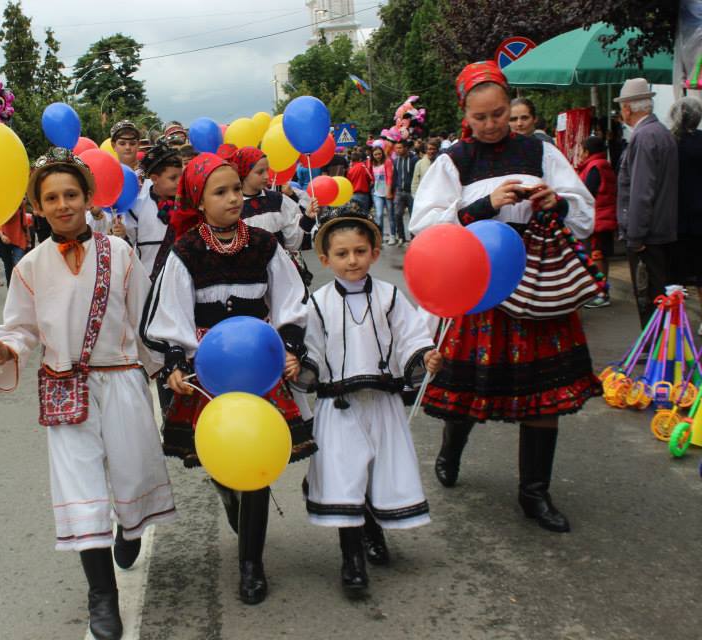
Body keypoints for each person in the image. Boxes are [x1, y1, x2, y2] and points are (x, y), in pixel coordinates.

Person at [0, 147, 176, 640]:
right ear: (38, 207)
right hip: (65, 388)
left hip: (123, 379)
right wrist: (6, 348)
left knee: (133, 473)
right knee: (80, 492)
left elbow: (145, 318)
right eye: (51, 198)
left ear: (88, 198)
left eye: (70, 194)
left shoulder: (121, 254)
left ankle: (130, 526)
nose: (62, 204)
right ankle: (102, 598)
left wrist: (166, 370)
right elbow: (20, 327)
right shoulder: (29, 266)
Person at [410, 61, 599, 534]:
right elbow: (424, 227)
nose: (492, 124)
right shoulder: (454, 161)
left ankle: (534, 492)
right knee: (467, 389)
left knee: (545, 394)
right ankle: (451, 449)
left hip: (537, 285)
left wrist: (557, 203)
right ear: (465, 115)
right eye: (481, 117)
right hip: (478, 287)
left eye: (499, 113)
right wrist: (483, 206)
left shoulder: (540, 152)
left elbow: (584, 214)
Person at [141, 153, 315, 605]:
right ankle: (227, 491)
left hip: (258, 365)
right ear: (199, 201)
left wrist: (290, 346)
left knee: (256, 460)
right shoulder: (186, 251)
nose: (234, 198)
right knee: (220, 454)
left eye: (236, 188)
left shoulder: (263, 244)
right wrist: (176, 361)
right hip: (209, 369)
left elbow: (292, 300)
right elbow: (169, 314)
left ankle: (251, 564)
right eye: (220, 192)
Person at [299, 204, 441, 595]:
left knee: (378, 471)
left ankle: (374, 532)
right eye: (342, 253)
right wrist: (301, 367)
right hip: (339, 406)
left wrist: (423, 356)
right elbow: (312, 348)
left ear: (374, 253)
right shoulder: (319, 303)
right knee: (344, 478)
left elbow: (410, 335)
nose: (352, 260)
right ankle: (352, 561)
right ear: (325, 259)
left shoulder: (390, 296)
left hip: (382, 403)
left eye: (360, 251)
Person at [615, 77, 679, 328]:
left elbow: (641, 192)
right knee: (659, 296)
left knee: (648, 297)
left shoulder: (643, 137)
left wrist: (635, 236)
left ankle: (655, 346)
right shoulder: (661, 132)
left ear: (628, 108)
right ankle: (661, 344)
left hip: (648, 234)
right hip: (662, 228)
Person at [125, 140, 184, 279]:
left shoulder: (187, 206)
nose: (179, 182)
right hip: (148, 280)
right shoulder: (136, 208)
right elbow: (127, 247)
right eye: (173, 178)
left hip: (180, 279)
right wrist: (122, 235)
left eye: (181, 176)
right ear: (154, 179)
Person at [669, 97, 702, 333]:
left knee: (676, 273)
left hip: (676, 216)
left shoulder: (671, 142)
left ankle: (676, 323)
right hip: (700, 216)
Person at [576, 136, 618, 309]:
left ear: (587, 152)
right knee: (600, 255)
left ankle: (601, 293)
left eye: (581, 150)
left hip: (599, 219)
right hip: (604, 217)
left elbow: (587, 193)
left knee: (597, 255)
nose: (579, 154)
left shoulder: (595, 167)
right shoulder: (602, 164)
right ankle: (601, 291)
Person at [389, 140, 417, 246]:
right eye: (396, 148)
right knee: (397, 214)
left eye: (400, 148)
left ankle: (414, 237)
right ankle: (401, 237)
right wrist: (392, 190)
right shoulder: (396, 161)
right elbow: (395, 176)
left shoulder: (414, 160)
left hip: (412, 192)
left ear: (406, 148)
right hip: (399, 191)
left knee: (413, 215)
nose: (397, 150)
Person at [0, 206, 30, 285]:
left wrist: (29, 239)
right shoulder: (1, 204)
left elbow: (24, 223)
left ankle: (21, 288)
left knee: (19, 266)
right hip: (4, 240)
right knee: (8, 267)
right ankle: (11, 289)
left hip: (19, 238)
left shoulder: (19, 204)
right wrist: (2, 236)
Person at [345, 148, 374, 217]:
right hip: (363, 195)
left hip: (352, 195)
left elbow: (348, 183)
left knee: (355, 216)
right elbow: (371, 178)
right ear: (360, 159)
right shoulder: (362, 166)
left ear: (351, 160)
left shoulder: (350, 170)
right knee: (365, 215)